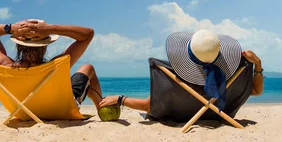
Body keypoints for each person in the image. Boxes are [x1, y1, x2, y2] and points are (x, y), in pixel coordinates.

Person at [99, 29, 264, 114]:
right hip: (219, 115)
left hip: (180, 117)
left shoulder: (170, 74)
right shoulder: (235, 75)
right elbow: (256, 91)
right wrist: (257, 64)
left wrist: (120, 99)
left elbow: (148, 107)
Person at [0, 18, 103, 109]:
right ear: (45, 47)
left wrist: (10, 28)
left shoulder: (4, 65)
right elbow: (87, 34)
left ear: (18, 45)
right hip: (60, 110)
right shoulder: (56, 66)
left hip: (24, 110)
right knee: (88, 68)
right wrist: (50, 28)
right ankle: (101, 106)